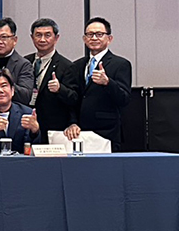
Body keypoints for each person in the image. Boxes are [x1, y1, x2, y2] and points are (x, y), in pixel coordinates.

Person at [65, 17, 132, 151]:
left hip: (106, 133)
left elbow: (124, 99)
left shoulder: (120, 64)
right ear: (84, 39)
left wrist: (108, 82)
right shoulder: (77, 65)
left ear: (109, 38)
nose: (94, 38)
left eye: (99, 34)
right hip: (79, 132)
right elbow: (73, 99)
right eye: (90, 34)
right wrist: (72, 122)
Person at [24, 18, 79, 143]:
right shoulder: (25, 62)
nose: (42, 39)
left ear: (56, 38)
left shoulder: (67, 66)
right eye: (38, 35)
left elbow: (74, 98)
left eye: (47, 35)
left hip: (53, 126)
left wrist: (60, 89)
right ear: (32, 37)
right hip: (26, 125)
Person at [0, 17, 34, 105]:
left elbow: (25, 96)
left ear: (14, 40)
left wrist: (5, 81)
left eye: (4, 37)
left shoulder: (23, 64)